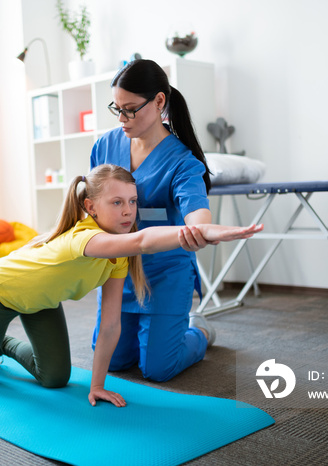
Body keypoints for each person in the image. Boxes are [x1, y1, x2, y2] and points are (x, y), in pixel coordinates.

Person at [0, 164, 262, 407]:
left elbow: (110, 325)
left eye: (133, 202)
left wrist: (97, 385)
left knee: (55, 378)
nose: (128, 211)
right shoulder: (86, 238)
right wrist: (205, 231)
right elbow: (142, 241)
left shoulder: (117, 258)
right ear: (90, 206)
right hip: (1, 291)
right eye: (117, 202)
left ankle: (1, 342)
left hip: (41, 301)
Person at [89, 58, 227, 382]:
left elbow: (196, 208)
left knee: (158, 369)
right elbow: (92, 204)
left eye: (131, 109)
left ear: (159, 102)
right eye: (116, 108)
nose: (122, 118)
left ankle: (200, 332)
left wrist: (201, 229)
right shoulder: (105, 145)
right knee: (114, 362)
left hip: (163, 272)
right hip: (118, 272)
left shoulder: (181, 161)